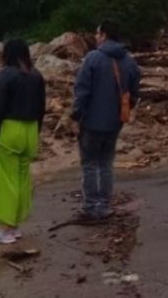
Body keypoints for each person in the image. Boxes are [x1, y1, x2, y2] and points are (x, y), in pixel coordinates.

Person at [71, 20, 141, 220]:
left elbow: (82, 91)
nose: (95, 36)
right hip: (115, 122)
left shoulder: (93, 58)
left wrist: (75, 116)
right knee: (106, 164)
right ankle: (104, 204)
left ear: (104, 35)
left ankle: (91, 206)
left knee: (90, 164)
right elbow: (135, 90)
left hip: (92, 121)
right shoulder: (128, 61)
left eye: (97, 33)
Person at [0, 39, 46, 244]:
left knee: (7, 180)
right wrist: (37, 132)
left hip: (11, 130)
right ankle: (16, 225)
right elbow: (41, 109)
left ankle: (8, 230)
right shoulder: (36, 76)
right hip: (30, 130)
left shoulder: (7, 75)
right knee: (22, 178)